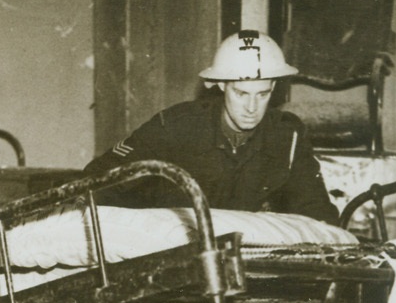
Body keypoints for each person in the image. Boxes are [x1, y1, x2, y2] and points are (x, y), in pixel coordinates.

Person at [85, 30, 340, 225]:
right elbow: (102, 179)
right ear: (221, 86)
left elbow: (316, 211)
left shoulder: (285, 137)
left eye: (262, 95)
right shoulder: (176, 127)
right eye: (241, 93)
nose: (252, 107)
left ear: (274, 88)